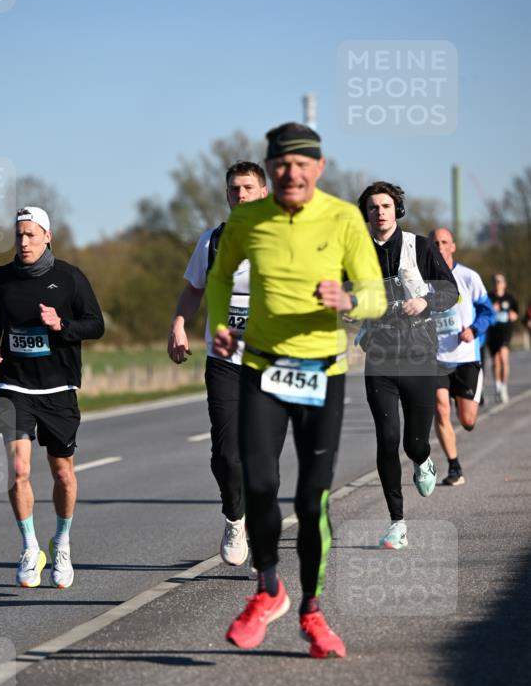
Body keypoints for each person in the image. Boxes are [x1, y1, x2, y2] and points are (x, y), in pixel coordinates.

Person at [207, 122, 386, 658]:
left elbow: (377, 293)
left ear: (319, 168)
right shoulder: (247, 219)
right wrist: (220, 323)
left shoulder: (344, 218)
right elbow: (218, 278)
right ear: (271, 168)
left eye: (300, 164)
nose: (290, 173)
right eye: (280, 164)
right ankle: (268, 590)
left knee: (312, 500)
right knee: (258, 482)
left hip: (320, 373)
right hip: (261, 366)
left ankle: (312, 609)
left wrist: (349, 299)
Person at [0, 207, 104, 589]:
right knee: (19, 469)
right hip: (15, 386)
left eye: (30, 235)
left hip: (58, 388)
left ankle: (62, 542)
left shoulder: (68, 277)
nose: (23, 242)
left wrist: (61, 325)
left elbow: (96, 324)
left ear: (47, 236)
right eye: (18, 235)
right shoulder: (0, 279)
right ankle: (30, 547)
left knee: (62, 474)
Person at [168, 161, 268, 566]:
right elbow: (193, 291)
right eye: (233, 190)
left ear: (263, 194)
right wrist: (178, 324)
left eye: (247, 188)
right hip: (224, 361)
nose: (240, 195)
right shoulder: (212, 241)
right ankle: (234, 516)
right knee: (226, 454)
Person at [356, 183, 458, 549]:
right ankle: (397, 522)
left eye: (385, 206)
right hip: (380, 358)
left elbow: (451, 290)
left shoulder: (420, 247)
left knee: (414, 442)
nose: (379, 212)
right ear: (366, 214)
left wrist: (425, 302)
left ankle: (424, 459)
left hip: (419, 356)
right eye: (372, 207)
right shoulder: (355, 252)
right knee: (386, 440)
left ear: (396, 210)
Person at [430, 228, 495, 485]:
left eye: (444, 242)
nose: (439, 246)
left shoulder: (468, 277)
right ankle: (454, 467)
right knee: (440, 409)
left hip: (467, 356)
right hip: (436, 358)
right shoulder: (421, 280)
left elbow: (487, 312)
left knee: (467, 421)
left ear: (453, 246)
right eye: (435, 242)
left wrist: (474, 329)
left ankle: (464, 399)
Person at [486, 273, 519, 403]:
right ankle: (497, 386)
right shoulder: (489, 297)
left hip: (505, 332)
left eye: (500, 281)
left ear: (504, 284)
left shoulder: (510, 298)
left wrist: (513, 315)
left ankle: (504, 387)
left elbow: (516, 313)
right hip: (493, 332)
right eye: (495, 281)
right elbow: (484, 312)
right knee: (496, 361)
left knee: (504, 359)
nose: (497, 284)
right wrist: (492, 310)